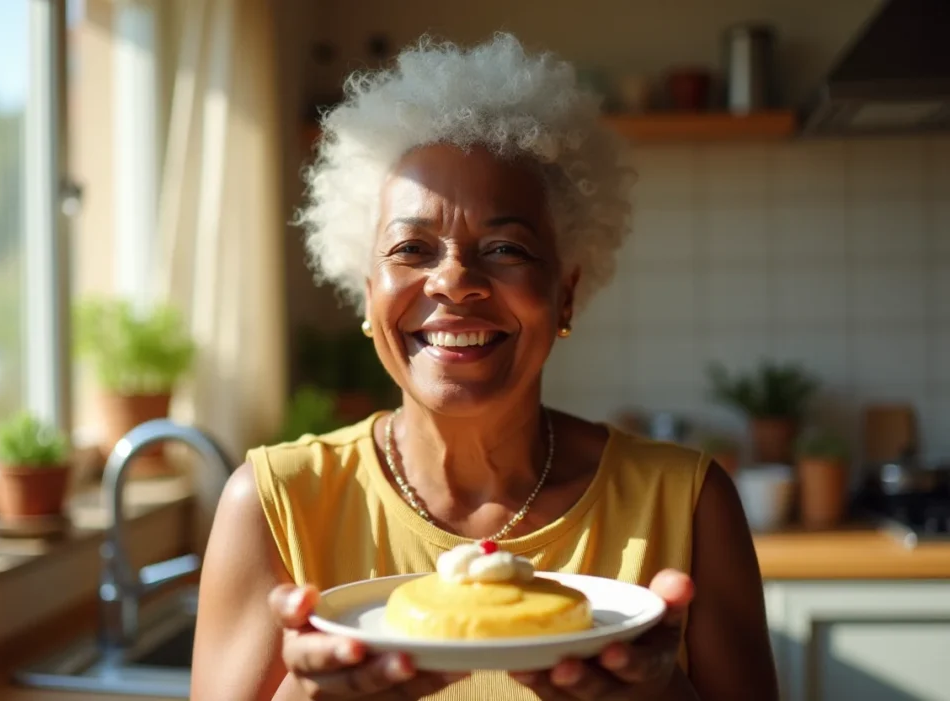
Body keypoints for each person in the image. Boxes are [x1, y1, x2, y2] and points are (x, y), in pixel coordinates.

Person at [191, 33, 778, 701]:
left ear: (565, 292)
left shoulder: (690, 505)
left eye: (504, 247)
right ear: (367, 294)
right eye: (412, 247)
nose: (455, 282)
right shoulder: (273, 505)